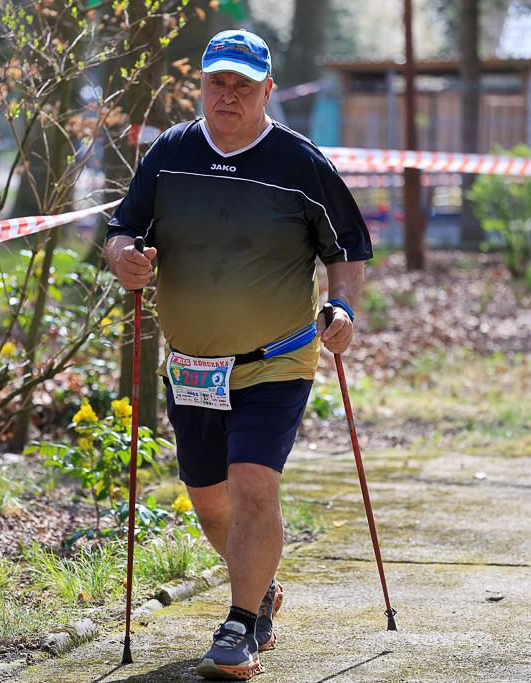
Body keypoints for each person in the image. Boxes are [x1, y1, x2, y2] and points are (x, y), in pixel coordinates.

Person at [105, 28, 372, 681]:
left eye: (242, 85)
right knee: (208, 499)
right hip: (193, 365)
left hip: (275, 360)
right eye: (216, 82)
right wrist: (124, 259)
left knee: (253, 482)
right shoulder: (170, 153)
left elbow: (346, 248)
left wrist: (341, 309)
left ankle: (239, 624)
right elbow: (122, 229)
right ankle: (262, 585)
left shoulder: (299, 162)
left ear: (267, 90)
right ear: (201, 85)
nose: (227, 95)